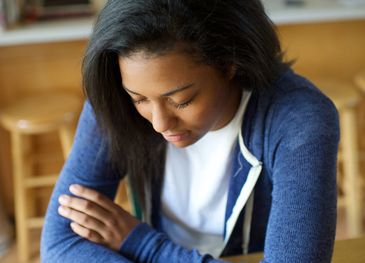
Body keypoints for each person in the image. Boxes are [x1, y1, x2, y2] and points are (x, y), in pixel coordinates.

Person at [41, 0, 340, 262]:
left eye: (180, 101)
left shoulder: (300, 122)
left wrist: (143, 245)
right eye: (140, 99)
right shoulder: (114, 98)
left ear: (230, 63)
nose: (159, 123)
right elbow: (59, 244)